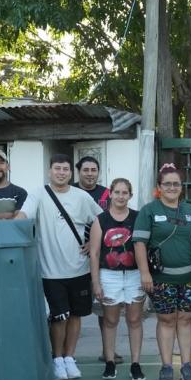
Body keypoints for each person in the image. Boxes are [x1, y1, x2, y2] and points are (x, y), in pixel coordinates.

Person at [17, 154, 103, 380]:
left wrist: (91, 242)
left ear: (70, 173)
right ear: (49, 171)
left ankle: (69, 358)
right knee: (58, 317)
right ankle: (57, 359)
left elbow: (101, 221)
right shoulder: (38, 194)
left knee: (76, 315)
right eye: (57, 168)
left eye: (65, 169)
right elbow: (24, 215)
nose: (61, 172)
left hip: (80, 268)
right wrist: (10, 221)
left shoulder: (82, 197)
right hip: (50, 271)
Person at [133, 164, 191, 380]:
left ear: (182, 187)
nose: (172, 187)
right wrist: (145, 273)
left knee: (186, 318)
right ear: (159, 187)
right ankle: (167, 366)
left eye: (176, 184)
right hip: (161, 279)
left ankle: (187, 365)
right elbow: (140, 243)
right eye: (167, 184)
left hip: (190, 277)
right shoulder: (149, 211)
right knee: (166, 319)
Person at [89, 178, 145, 380]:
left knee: (134, 320)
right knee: (110, 320)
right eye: (117, 192)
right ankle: (110, 362)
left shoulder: (139, 218)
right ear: (110, 194)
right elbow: (94, 253)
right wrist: (96, 281)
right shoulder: (100, 220)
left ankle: (136, 364)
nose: (121, 196)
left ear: (130, 195)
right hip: (109, 275)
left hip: (134, 274)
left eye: (125, 193)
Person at [73, 156, 122, 364]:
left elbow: (111, 223)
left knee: (104, 307)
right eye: (86, 170)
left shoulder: (106, 194)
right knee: (72, 309)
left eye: (94, 170)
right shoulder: (70, 192)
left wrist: (94, 245)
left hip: (100, 257)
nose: (90, 173)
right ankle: (68, 354)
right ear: (79, 171)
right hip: (72, 256)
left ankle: (107, 351)